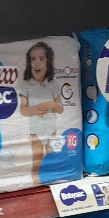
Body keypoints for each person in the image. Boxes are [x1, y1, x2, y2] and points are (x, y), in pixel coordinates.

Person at [18, 40, 65, 184]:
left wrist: (52, 104)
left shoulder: (53, 84)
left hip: (51, 130)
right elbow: (23, 110)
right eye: (33, 59)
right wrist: (33, 110)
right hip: (35, 132)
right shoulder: (26, 84)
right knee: (37, 160)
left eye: (41, 59)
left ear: (48, 62)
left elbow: (61, 109)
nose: (36, 63)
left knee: (51, 159)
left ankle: (51, 181)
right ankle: (35, 182)